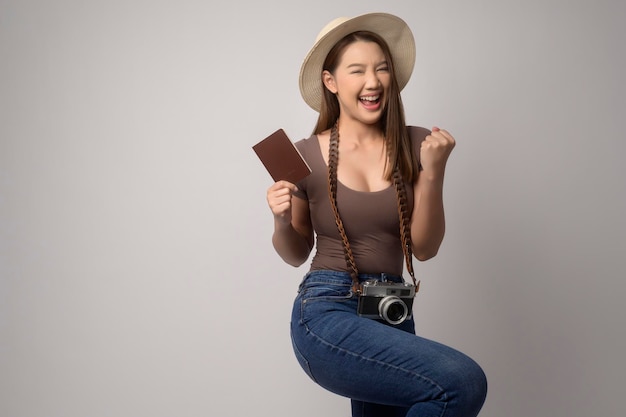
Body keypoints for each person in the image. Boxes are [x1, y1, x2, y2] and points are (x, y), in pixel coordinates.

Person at [265, 12, 487, 417]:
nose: (373, 81)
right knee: (461, 382)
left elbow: (424, 248)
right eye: (357, 70)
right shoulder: (300, 153)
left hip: (391, 308)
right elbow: (296, 252)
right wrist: (280, 220)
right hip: (326, 309)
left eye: (382, 69)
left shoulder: (419, 144)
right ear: (331, 82)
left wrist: (433, 173)